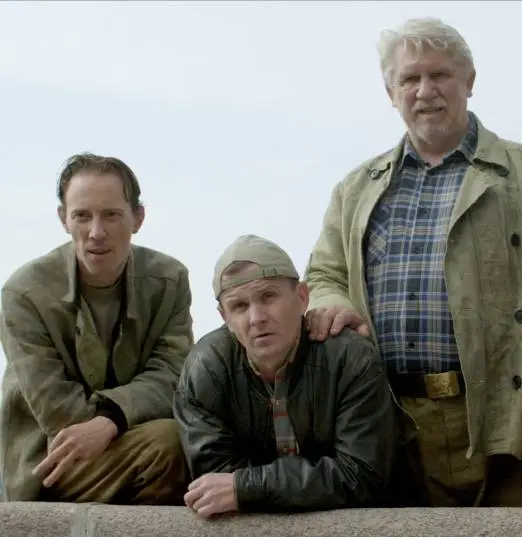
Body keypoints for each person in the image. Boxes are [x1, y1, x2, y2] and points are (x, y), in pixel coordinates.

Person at [302, 17, 522, 508]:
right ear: (390, 92)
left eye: (440, 74)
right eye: (410, 78)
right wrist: (333, 301)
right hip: (389, 421)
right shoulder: (355, 190)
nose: (425, 90)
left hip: (506, 419)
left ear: (470, 80)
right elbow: (323, 274)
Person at [0, 153, 194, 503]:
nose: (96, 232)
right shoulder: (24, 292)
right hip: (54, 459)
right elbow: (57, 409)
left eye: (112, 215)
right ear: (63, 219)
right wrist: (118, 419)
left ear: (138, 218)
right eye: (82, 216)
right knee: (169, 443)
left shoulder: (169, 280)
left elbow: (174, 374)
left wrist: (111, 419)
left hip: (129, 438)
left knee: (191, 439)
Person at [172, 234, 397, 519]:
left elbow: (362, 474)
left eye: (269, 297)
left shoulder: (351, 358)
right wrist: (253, 489)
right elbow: (215, 480)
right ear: (224, 317)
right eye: (239, 306)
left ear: (302, 298)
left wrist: (249, 487)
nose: (256, 318)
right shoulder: (205, 368)